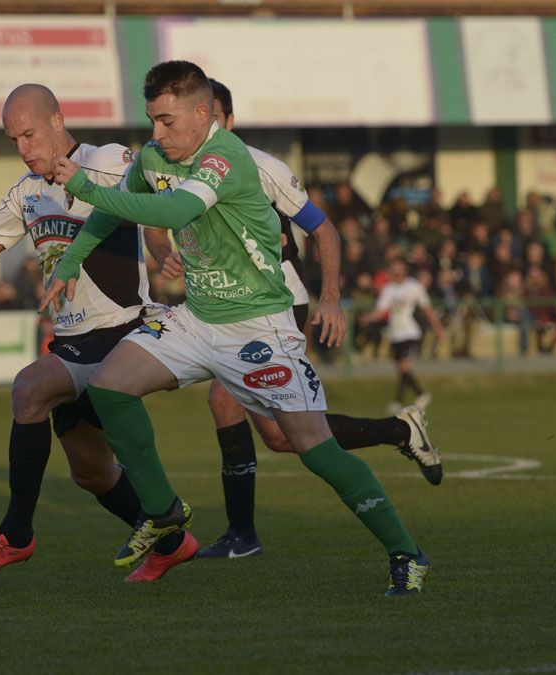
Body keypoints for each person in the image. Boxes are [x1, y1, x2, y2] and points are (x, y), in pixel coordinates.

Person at [43, 60, 431, 596]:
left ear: (203, 114)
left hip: (259, 326)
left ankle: (407, 553)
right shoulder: (155, 156)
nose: (157, 133)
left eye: (167, 121)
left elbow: (176, 211)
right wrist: (69, 263)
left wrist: (84, 185)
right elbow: (113, 217)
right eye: (152, 120)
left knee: (313, 448)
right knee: (110, 386)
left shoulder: (226, 157)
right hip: (198, 317)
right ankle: (163, 511)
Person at [0, 83, 190, 583]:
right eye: (13, 141)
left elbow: (152, 192)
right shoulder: (27, 193)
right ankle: (173, 542)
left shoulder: (105, 160)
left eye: (29, 135)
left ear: (57, 121)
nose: (23, 148)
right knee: (91, 473)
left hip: (119, 331)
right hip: (72, 343)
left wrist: (160, 248)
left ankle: (16, 535)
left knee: (29, 389)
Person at [144, 78, 442, 560]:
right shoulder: (175, 167)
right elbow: (155, 224)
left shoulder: (260, 166)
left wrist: (331, 297)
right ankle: (399, 430)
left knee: (224, 401)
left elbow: (323, 229)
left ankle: (242, 536)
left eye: (214, 118)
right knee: (282, 437)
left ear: (227, 121)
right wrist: (163, 252)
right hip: (223, 308)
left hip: (277, 301)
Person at [360, 259, 444, 412]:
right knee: (401, 370)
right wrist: (368, 318)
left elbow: (427, 309)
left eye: (400, 270)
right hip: (395, 334)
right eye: (394, 270)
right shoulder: (388, 289)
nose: (397, 273)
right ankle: (404, 400)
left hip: (410, 333)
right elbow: (381, 311)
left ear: (405, 270)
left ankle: (417, 395)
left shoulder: (414, 286)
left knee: (404, 366)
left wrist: (438, 329)